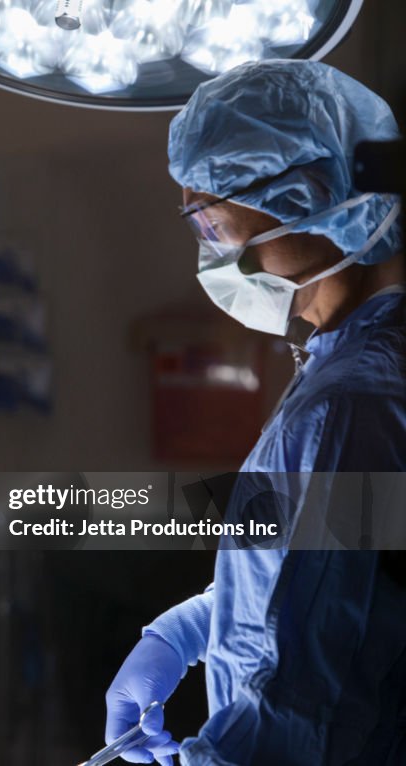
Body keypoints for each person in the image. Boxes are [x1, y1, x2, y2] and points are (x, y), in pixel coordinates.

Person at [103, 61, 405, 765]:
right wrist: (186, 634)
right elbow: (322, 592)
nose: (209, 248)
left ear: (313, 193)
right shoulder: (345, 367)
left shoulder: (353, 408)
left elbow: (318, 713)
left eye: (210, 218)